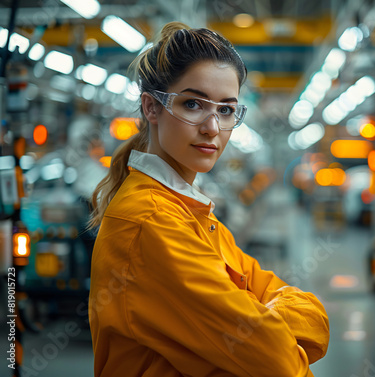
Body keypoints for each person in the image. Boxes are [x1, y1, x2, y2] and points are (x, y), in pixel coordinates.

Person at [88, 21, 329, 377]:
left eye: (226, 110)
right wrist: (273, 325)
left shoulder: (192, 211)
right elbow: (277, 361)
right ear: (151, 108)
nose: (212, 127)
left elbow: (315, 316)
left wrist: (270, 325)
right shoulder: (151, 221)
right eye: (192, 104)